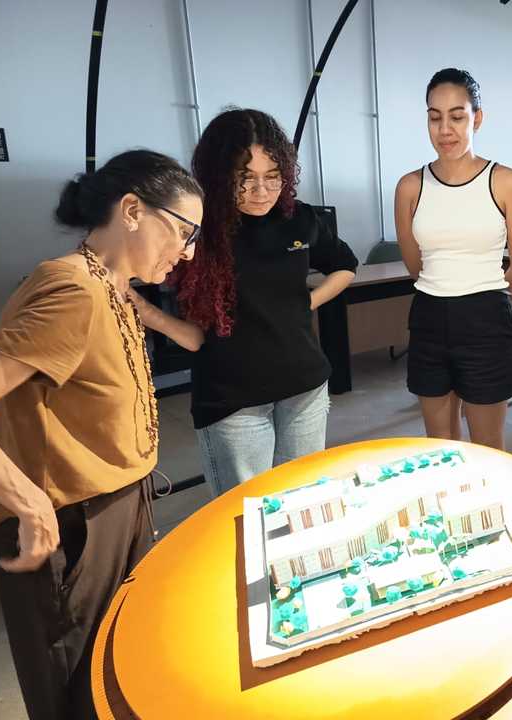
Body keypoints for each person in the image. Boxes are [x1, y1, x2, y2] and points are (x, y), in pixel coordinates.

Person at [0, 150, 202, 719]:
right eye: (184, 231)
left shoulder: (115, 287)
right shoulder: (71, 289)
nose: (188, 251)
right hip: (70, 525)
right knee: (77, 690)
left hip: (118, 504)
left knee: (120, 667)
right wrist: (27, 503)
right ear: (132, 210)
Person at [145, 109, 358, 496]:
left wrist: (307, 302)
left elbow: (345, 265)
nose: (261, 191)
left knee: (303, 499)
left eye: (272, 177)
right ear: (219, 176)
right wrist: (143, 311)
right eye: (245, 179)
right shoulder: (198, 230)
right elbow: (192, 334)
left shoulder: (299, 219)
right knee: (246, 509)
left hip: (304, 387)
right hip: (234, 399)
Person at [394, 68, 512, 450]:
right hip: (428, 318)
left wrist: (485, 301)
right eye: (434, 117)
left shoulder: (506, 181)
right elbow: (415, 264)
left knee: (487, 447)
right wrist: (446, 289)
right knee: (440, 445)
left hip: (487, 320)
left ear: (477, 118)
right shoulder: (410, 187)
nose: (445, 129)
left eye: (457, 116)